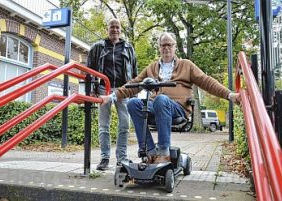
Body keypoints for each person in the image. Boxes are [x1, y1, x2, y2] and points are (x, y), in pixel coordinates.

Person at [100, 32, 240, 164]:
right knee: (133, 103)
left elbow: (206, 81)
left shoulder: (187, 65)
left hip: (177, 108)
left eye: (169, 45)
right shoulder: (152, 67)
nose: (166, 48)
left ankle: (163, 151)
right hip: (156, 107)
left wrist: (229, 95)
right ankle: (149, 150)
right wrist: (111, 97)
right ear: (159, 48)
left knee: (161, 99)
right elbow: (134, 84)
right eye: (163, 45)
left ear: (175, 47)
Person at [87, 18, 137, 170]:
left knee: (124, 124)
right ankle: (104, 158)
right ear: (107, 29)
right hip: (104, 89)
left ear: (120, 30)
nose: (114, 30)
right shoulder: (97, 47)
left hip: (123, 89)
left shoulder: (128, 48)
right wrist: (90, 89)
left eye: (117, 27)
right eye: (112, 27)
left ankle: (121, 158)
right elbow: (89, 70)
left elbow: (134, 71)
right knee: (104, 125)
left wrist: (134, 90)